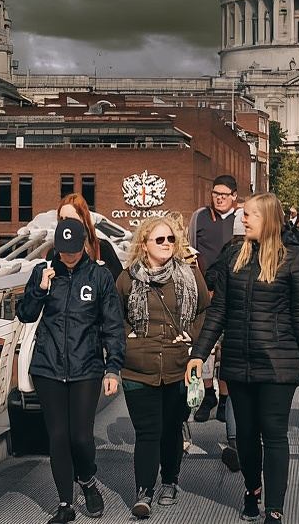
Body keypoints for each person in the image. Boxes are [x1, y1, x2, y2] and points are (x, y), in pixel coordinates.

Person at [187, 192, 299, 523]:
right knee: (246, 436)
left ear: (270, 220)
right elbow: (219, 309)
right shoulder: (233, 254)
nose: (243, 219)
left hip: (278, 363)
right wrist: (199, 353)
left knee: (274, 432)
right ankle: (252, 490)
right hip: (238, 360)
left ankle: (274, 508)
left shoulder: (293, 259)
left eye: (250, 215)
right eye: (244, 214)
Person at [16, 217, 125, 523]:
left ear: (83, 246)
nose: (69, 255)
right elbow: (25, 315)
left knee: (80, 437)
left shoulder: (99, 276)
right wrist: (39, 289)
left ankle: (88, 481)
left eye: (74, 249)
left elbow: (113, 326)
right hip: (48, 367)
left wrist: (113, 368)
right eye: (63, 250)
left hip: (86, 368)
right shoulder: (44, 272)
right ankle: (65, 504)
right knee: (58, 437)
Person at [115, 216, 210, 518]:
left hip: (177, 365)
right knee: (147, 432)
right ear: (144, 245)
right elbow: (113, 317)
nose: (168, 244)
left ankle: (169, 479)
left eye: (171, 239)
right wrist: (127, 340)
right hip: (137, 367)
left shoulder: (189, 275)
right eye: (160, 240)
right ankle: (144, 491)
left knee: (170, 430)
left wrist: (192, 336)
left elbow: (206, 310)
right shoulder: (127, 278)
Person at [186, 175, 238, 423]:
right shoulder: (200, 217)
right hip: (205, 291)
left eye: (224, 194)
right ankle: (208, 395)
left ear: (234, 196)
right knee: (204, 342)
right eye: (215, 193)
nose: (219, 197)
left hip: (232, 291)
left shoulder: (241, 220)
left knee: (228, 347)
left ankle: (226, 397)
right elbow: (191, 251)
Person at [58, 193, 123, 279]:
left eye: (70, 219)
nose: (65, 224)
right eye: (62, 219)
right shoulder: (56, 252)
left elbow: (119, 284)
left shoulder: (102, 248)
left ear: (83, 219)